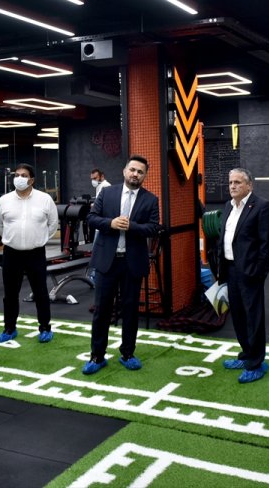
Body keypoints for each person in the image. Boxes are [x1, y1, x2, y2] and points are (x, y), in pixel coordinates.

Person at [83, 155, 160, 374]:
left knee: (130, 310)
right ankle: (97, 356)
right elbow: (91, 218)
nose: (135, 174)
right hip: (107, 261)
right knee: (102, 310)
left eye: (140, 172)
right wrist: (111, 223)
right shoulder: (107, 193)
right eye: (132, 170)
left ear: (145, 176)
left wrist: (131, 226)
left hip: (132, 262)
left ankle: (128, 353)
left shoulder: (150, 199)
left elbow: (153, 227)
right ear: (125, 171)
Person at [217, 168, 269, 383]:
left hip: (250, 272)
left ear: (249, 185)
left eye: (238, 182)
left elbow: (267, 244)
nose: (233, 186)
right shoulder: (228, 206)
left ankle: (256, 363)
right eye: (230, 182)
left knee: (253, 317)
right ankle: (246, 355)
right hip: (230, 270)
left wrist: (258, 272)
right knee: (238, 316)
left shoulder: (262, 207)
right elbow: (225, 238)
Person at [0, 163, 59, 344]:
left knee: (40, 292)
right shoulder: (4, 200)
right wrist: (12, 238)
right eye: (17, 175)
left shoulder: (45, 199)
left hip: (35, 253)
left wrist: (38, 238)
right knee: (10, 294)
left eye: (23, 175)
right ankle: (9, 328)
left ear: (31, 180)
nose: (19, 178)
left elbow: (53, 224)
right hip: (11, 253)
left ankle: (45, 328)